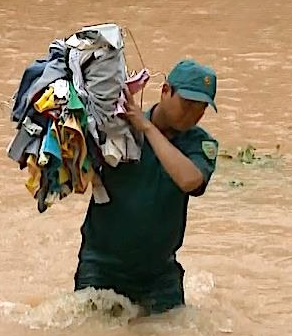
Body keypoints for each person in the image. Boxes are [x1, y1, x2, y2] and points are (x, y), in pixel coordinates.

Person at [74, 59, 219, 316]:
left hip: (159, 275)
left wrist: (147, 128)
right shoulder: (117, 129)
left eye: (201, 108)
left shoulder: (200, 144)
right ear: (165, 91)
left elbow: (189, 180)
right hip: (101, 267)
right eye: (187, 104)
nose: (192, 114)